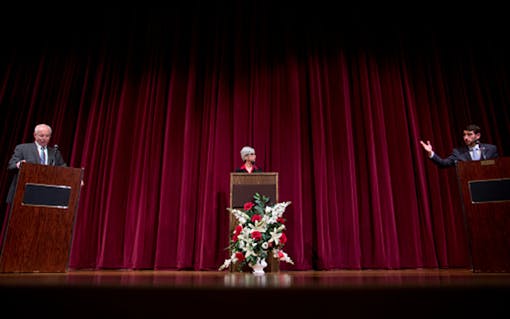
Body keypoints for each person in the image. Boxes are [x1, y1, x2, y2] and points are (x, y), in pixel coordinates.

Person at [5, 123, 67, 204]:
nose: (44, 138)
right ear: (35, 135)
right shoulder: (23, 148)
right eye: (41, 135)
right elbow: (11, 166)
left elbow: (63, 169)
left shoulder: (55, 152)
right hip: (24, 193)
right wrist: (18, 164)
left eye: (47, 136)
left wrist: (75, 178)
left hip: (45, 195)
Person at [419, 124, 498, 168]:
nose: (465, 138)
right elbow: (443, 163)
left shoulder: (491, 149)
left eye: (469, 134)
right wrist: (431, 153)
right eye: (464, 135)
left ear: (477, 136)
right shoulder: (458, 152)